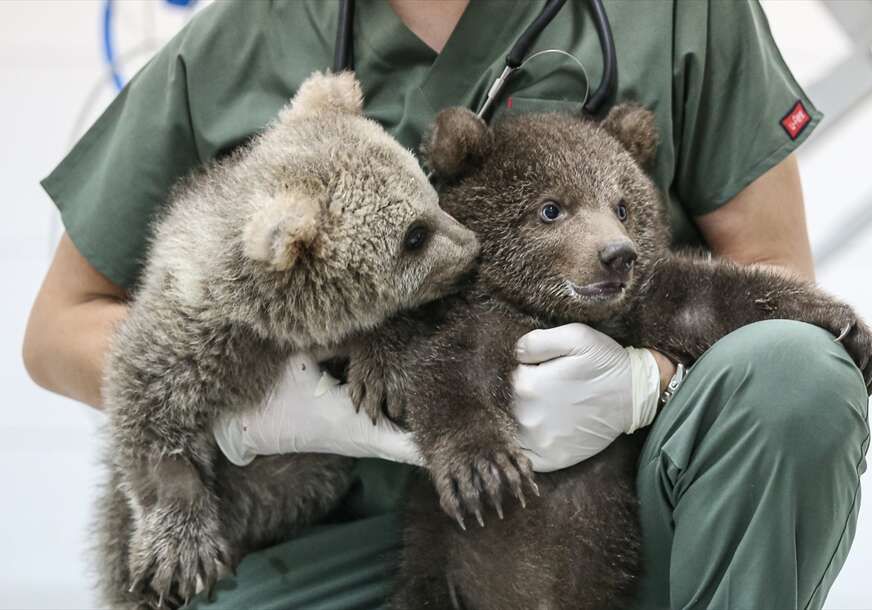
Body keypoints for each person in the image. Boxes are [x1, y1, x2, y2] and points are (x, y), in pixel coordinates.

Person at [22, 1, 869, 609]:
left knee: (796, 373)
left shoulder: (686, 11)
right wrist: (283, 406)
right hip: (339, 538)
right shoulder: (241, 41)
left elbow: (768, 272)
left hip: (631, 502)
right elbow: (59, 326)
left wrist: (647, 380)